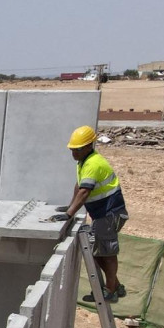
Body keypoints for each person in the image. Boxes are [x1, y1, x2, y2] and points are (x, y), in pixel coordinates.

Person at [62, 125, 129, 302]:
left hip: (109, 214)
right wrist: (69, 207)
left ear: (88, 146)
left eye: (77, 149)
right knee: (98, 251)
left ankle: (110, 290)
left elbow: (84, 191)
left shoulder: (93, 164)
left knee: (106, 252)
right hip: (102, 214)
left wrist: (69, 214)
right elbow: (79, 186)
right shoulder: (83, 162)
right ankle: (115, 285)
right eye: (72, 150)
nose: (73, 153)